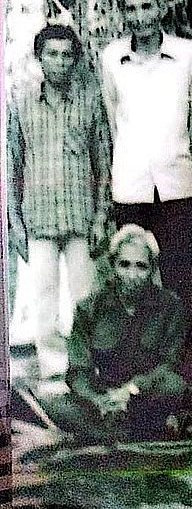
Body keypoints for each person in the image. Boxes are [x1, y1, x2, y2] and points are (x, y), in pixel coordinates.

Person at [100, 0, 192, 378]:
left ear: (161, 9)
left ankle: (183, 371)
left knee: (179, 278)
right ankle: (132, 368)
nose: (140, 15)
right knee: (131, 280)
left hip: (176, 184)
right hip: (130, 188)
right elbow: (113, 123)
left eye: (147, 6)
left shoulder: (188, 56)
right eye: (131, 8)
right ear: (123, 13)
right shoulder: (112, 59)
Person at [7, 24, 111, 379]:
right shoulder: (22, 106)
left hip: (80, 217)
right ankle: (53, 371)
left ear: (76, 60)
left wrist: (101, 216)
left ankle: (89, 368)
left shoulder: (90, 100)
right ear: (39, 58)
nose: (60, 62)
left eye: (67, 55)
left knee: (87, 296)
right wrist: (15, 222)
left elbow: (102, 162)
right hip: (38, 218)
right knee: (44, 300)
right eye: (52, 54)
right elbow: (13, 165)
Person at [43, 225, 189, 443]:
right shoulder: (89, 308)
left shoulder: (171, 306)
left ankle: (114, 434)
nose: (132, 275)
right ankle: (120, 434)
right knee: (58, 406)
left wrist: (131, 390)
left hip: (144, 395)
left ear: (152, 269)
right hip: (104, 398)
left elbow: (170, 363)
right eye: (124, 265)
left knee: (174, 386)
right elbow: (78, 371)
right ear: (112, 265)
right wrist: (98, 400)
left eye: (141, 266)